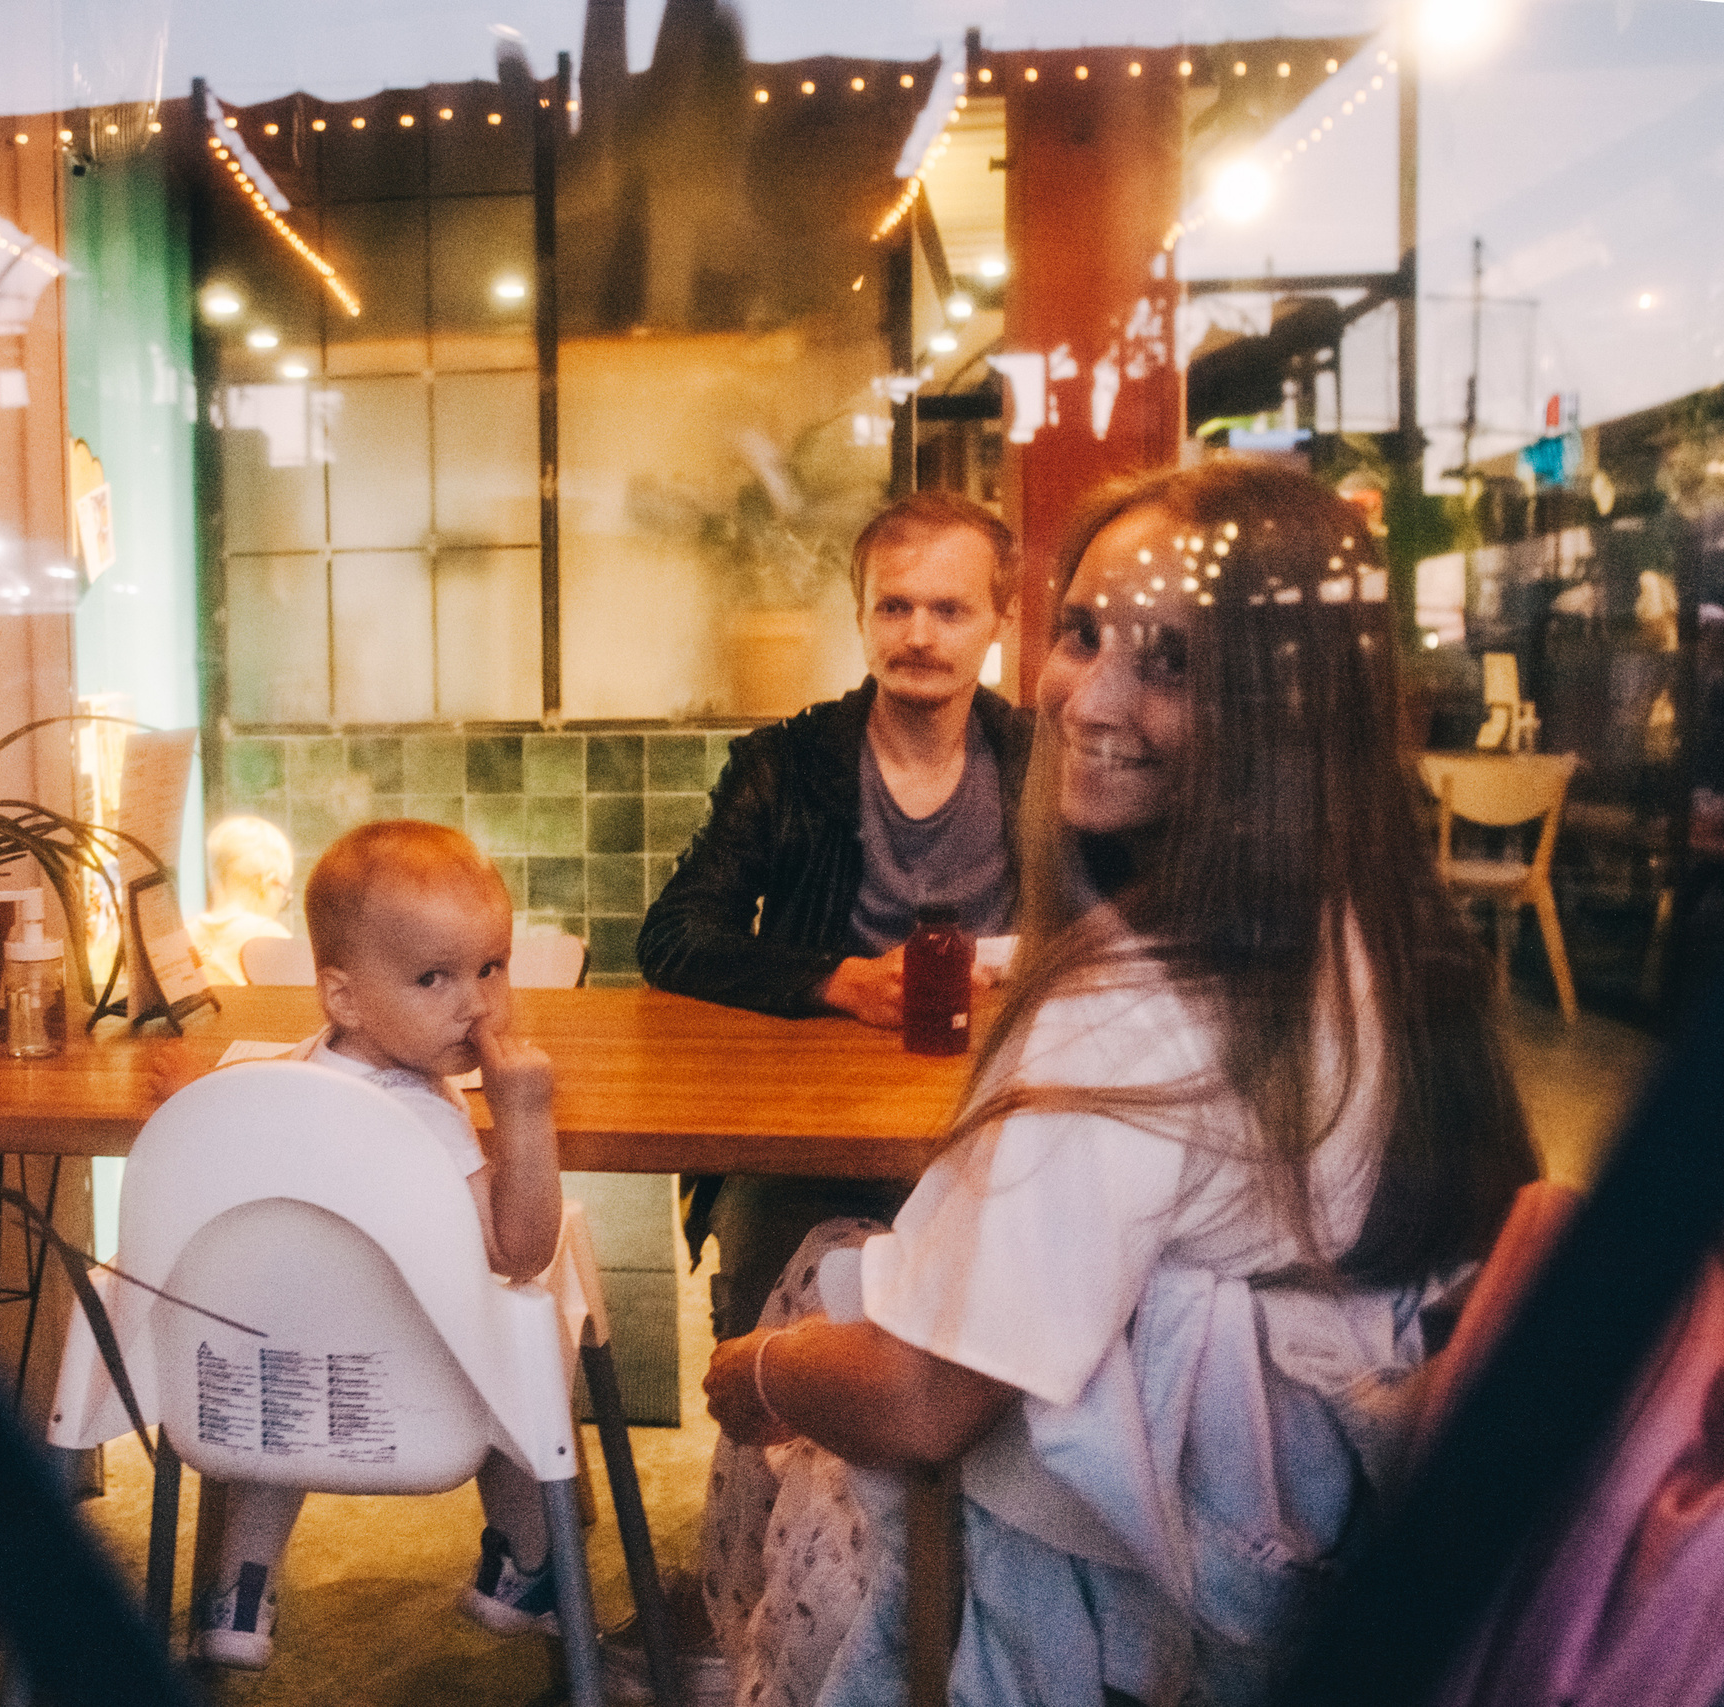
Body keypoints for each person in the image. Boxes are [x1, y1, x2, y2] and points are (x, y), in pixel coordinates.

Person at [696, 462, 1537, 1707]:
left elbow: (927, 1402)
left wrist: (748, 1373)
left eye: (1174, 663)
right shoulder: (1372, 932)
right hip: (1324, 1529)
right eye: (1083, 634)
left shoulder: (1131, 1002)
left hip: (1125, 1590)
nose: (1088, 696)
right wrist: (834, 979)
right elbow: (686, 932)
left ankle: (740, 1660)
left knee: (799, 1287)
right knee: (807, 1234)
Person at [637, 490, 1033, 1340]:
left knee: (996, 1362)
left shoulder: (1047, 767)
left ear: (1001, 618)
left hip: (1001, 1121)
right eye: (894, 606)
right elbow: (672, 936)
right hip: (808, 1133)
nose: (918, 635)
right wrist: (836, 980)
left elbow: (1136, 936)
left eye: (950, 609)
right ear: (861, 616)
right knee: (776, 1367)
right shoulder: (787, 763)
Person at [191, 820, 567, 1669]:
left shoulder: (284, 1072)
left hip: (268, 1377)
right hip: (412, 1386)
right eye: (433, 977)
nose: (474, 1003)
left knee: (277, 1344)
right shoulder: (427, 1117)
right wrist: (525, 1117)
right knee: (529, 1334)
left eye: (491, 967)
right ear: (345, 995)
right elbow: (520, 1248)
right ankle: (525, 1562)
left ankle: (238, 1593)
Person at [186, 814, 295, 986]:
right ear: (265, 880)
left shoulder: (184, 935)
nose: (282, 900)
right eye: (283, 889)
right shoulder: (270, 936)